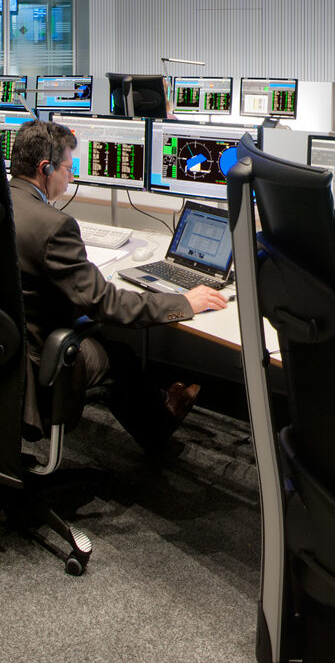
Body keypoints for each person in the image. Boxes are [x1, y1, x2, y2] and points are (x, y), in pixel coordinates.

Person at [8, 119, 225, 453]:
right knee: (119, 357)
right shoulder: (54, 226)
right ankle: (161, 431)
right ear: (44, 168)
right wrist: (183, 302)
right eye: (68, 168)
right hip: (37, 363)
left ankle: (162, 416)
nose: (71, 176)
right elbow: (106, 304)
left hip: (8, 352)